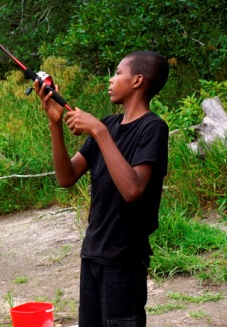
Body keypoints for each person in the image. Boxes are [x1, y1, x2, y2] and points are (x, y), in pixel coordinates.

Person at [35, 51, 169, 326]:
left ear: (138, 81)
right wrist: (54, 124)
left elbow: (133, 189)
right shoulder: (108, 124)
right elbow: (66, 176)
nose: (112, 78)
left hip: (125, 259)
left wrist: (99, 132)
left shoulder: (152, 128)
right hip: (93, 252)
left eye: (119, 72)